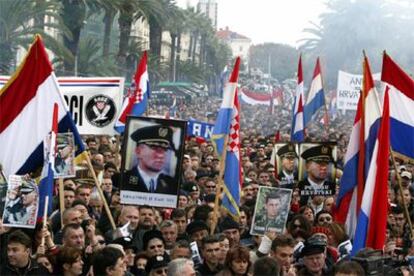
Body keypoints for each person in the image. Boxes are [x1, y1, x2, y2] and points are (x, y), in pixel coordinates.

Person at [123, 124, 177, 194]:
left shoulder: (170, 183)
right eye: (154, 148)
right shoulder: (125, 179)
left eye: (165, 149)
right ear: (138, 151)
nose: (160, 155)